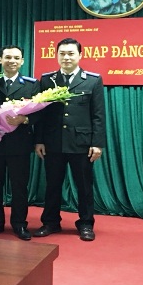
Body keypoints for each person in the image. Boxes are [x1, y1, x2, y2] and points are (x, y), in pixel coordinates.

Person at [34, 38, 106, 241]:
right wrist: (39, 140)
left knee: (84, 186)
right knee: (52, 185)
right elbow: (41, 113)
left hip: (81, 143)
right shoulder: (47, 80)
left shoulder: (92, 80)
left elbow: (98, 115)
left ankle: (86, 223)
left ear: (80, 55)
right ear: (56, 55)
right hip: (53, 142)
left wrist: (97, 143)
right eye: (62, 53)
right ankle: (50, 222)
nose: (66, 57)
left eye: (71, 53)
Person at [0, 45, 39, 241]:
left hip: (20, 144)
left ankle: (19, 224)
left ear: (22, 61)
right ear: (0, 60)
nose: (12, 61)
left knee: (19, 186)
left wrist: (25, 119)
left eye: (16, 58)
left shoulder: (31, 85)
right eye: (8, 57)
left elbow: (40, 114)